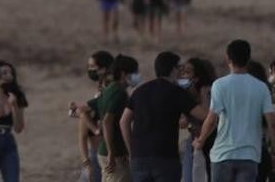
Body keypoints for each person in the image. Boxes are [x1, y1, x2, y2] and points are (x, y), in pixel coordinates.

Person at [194, 40, 275, 182]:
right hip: (249, 155)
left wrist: (201, 140)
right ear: (248, 59)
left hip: (222, 155)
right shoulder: (261, 87)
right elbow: (273, 123)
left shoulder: (220, 85)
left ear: (228, 58)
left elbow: (211, 120)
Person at [120, 51, 208, 182]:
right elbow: (204, 116)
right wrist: (204, 96)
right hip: (165, 159)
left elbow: (124, 121)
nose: (181, 72)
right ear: (173, 69)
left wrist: (131, 150)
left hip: (139, 158)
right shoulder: (176, 92)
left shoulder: (139, 91)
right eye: (179, 68)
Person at [72, 50, 114, 182]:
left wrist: (84, 115)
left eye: (92, 67)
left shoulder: (110, 93)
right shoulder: (100, 93)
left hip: (104, 155)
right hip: (97, 155)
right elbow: (83, 135)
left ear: (104, 69)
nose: (90, 70)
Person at [97, 54, 139, 182]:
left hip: (109, 151)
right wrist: (112, 153)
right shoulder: (119, 93)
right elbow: (107, 121)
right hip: (114, 154)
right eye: (134, 72)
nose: (137, 75)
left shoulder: (110, 89)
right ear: (123, 74)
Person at [180, 57, 218, 182]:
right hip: (194, 140)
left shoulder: (207, 91)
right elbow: (184, 122)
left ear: (197, 77)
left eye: (188, 72)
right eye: (183, 72)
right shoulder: (186, 94)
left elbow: (208, 116)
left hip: (209, 139)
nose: (184, 75)